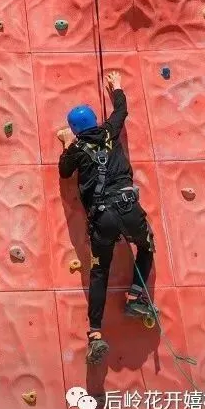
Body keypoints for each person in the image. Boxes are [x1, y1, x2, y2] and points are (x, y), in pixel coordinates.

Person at [57, 70, 156, 366]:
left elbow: (64, 172)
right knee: (146, 246)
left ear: (75, 130)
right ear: (94, 121)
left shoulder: (76, 149)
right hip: (128, 208)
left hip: (103, 219)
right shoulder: (110, 131)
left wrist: (67, 143)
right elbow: (121, 111)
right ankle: (137, 298)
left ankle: (96, 334)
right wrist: (117, 88)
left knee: (99, 272)